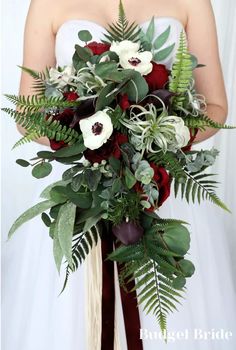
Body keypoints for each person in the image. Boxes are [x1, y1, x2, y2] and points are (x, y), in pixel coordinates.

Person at [3, 0, 236, 350]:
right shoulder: (47, 3)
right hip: (83, 188)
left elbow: (215, 108)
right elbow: (27, 112)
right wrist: (89, 141)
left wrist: (152, 138)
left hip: (161, 188)